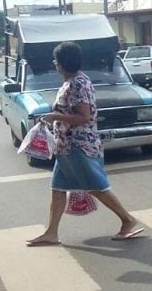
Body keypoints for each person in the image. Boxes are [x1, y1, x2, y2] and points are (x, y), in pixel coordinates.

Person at [27, 42, 145, 246]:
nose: (55, 64)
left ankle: (127, 219)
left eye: (56, 61)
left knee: (96, 186)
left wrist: (55, 115)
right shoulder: (73, 81)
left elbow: (84, 116)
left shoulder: (78, 83)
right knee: (58, 188)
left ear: (62, 63)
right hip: (66, 146)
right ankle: (51, 232)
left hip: (79, 146)